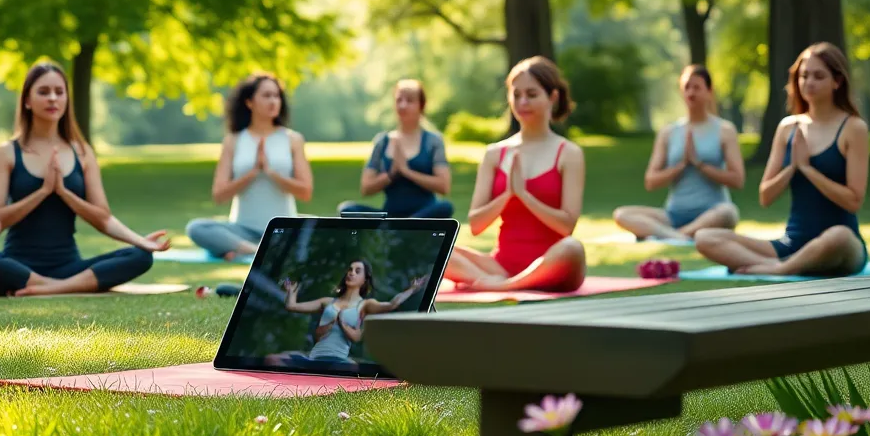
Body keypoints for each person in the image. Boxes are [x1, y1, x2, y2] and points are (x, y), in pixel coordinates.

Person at [0, 61, 171, 296]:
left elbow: (103, 218)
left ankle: (50, 287)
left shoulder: (82, 152)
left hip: (69, 267)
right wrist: (42, 191)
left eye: (59, 92)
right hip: (18, 266)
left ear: (66, 100)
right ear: (27, 101)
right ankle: (51, 284)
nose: (52, 98)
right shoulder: (7, 152)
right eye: (43, 92)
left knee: (140, 256)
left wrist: (64, 193)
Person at [696, 43, 870, 277]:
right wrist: (791, 168)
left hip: (839, 245)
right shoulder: (788, 128)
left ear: (837, 82)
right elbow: (765, 196)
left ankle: (781, 269)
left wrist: (808, 170)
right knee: (705, 237)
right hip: (790, 244)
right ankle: (788, 265)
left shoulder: (853, 128)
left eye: (819, 76)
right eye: (804, 76)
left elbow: (853, 201)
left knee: (839, 236)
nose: (809, 82)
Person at [444, 56, 588, 292]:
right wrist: (508, 195)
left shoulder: (569, 153)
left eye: (532, 94)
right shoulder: (494, 154)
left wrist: (524, 195)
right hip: (500, 266)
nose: (523, 102)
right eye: (516, 94)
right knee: (436, 247)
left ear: (552, 97)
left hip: (552, 262)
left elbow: (566, 226)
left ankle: (502, 287)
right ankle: (500, 282)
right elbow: (477, 224)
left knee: (573, 248)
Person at [185, 73, 314, 260]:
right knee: (196, 228)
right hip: (242, 230)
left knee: (321, 230)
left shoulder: (292, 139)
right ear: (249, 102)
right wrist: (253, 172)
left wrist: (270, 172)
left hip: (282, 229)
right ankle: (254, 250)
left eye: (276, 96)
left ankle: (235, 252)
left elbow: (306, 192)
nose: (273, 101)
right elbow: (219, 195)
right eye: (266, 95)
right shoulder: (234, 140)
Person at [612, 65, 744, 242]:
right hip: (673, 215)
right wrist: (680, 166)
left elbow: (737, 180)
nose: (691, 93)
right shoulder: (668, 132)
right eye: (686, 87)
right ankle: (680, 235)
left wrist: (699, 164)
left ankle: (678, 234)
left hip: (712, 212)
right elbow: (651, 181)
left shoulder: (725, 130)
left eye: (696, 87)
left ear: (709, 91)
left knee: (729, 212)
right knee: (622, 214)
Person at [267, 260, 428, 366]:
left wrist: (412, 289)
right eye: (350, 270)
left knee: (356, 369)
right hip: (314, 358)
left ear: (365, 279)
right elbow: (292, 306)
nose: (351, 273)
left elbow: (393, 304)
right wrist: (291, 291)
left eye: (358, 271)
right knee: (272, 359)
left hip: (339, 361)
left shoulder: (365, 305)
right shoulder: (327, 301)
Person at [338, 79, 455, 219]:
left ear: (421, 106)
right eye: (399, 100)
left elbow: (443, 186)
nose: (403, 105)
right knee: (347, 209)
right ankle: (401, 229)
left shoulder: (433, 141)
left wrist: (407, 171)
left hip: (424, 215)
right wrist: (392, 173)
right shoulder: (382, 141)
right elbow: (366, 188)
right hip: (391, 215)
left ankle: (403, 229)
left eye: (409, 100)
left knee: (445, 207)